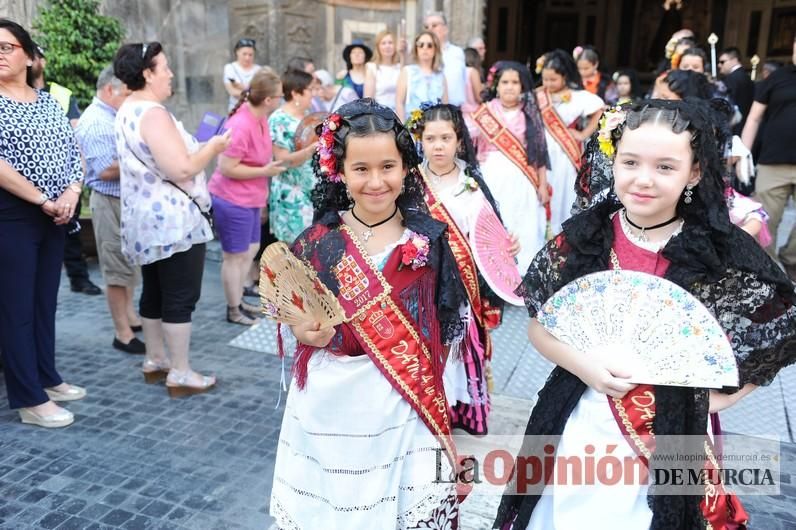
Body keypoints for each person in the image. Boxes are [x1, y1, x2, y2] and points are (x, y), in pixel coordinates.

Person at [493, 98, 796, 530]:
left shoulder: (717, 248)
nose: (643, 180)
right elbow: (540, 328)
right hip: (580, 421)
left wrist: (724, 397)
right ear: (613, 162)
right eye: (630, 162)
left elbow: (777, 332)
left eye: (666, 167)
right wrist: (590, 370)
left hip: (672, 434)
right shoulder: (588, 237)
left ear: (695, 173)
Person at [269, 99, 467, 528]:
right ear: (339, 170)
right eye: (361, 169)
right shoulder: (319, 240)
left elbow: (446, 325)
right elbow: (292, 313)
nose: (376, 181)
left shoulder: (429, 241)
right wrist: (307, 332)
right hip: (330, 405)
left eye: (388, 166)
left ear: (405, 167)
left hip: (402, 404)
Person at [113, 42, 230, 395]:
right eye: (164, 67)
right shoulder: (152, 113)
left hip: (145, 219)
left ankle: (156, 359)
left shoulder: (126, 109)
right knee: (180, 296)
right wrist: (212, 147)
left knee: (155, 291)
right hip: (172, 221)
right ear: (147, 73)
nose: (170, 73)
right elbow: (180, 167)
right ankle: (179, 371)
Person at [0, 18, 86, 428]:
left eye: (7, 47)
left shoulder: (50, 100)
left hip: (57, 213)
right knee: (15, 307)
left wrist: (70, 193)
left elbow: (75, 151)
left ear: (30, 55)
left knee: (43, 302)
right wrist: (42, 199)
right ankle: (28, 397)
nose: (0, 54)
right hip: (13, 215)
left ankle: (46, 376)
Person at [408, 102, 514, 434]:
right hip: (421, 282)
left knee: (457, 349)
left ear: (459, 140)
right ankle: (424, 410)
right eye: (431, 138)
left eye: (445, 137)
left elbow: (489, 232)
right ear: (420, 141)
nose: (438, 145)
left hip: (461, 286)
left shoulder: (472, 182)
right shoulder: (410, 182)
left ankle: (454, 410)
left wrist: (507, 245)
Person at [74, 66, 146, 354]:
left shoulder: (111, 115)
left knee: (126, 264)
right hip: (108, 201)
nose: (129, 99)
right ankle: (122, 333)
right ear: (108, 90)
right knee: (116, 270)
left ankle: (129, 316)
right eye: (125, 93)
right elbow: (104, 170)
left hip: (121, 201)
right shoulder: (96, 121)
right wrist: (145, 155)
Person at [208, 69, 285, 326]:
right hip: (232, 199)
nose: (281, 100)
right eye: (279, 96)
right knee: (235, 256)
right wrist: (265, 171)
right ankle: (233, 309)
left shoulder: (260, 117)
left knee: (249, 250)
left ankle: (238, 299)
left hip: (250, 198)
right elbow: (226, 167)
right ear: (267, 100)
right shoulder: (240, 125)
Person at [32, 42, 102, 296]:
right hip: (28, 181)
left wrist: (73, 183)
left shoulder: (59, 93)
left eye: (36, 55)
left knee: (69, 230)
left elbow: (75, 133)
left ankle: (78, 278)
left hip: (61, 176)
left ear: (43, 61)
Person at [471, 61, 550, 273]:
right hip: (492, 177)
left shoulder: (530, 113)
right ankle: (494, 269)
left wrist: (542, 184)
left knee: (522, 221)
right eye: (505, 82)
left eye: (515, 82)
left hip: (522, 179)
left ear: (522, 86)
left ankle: (522, 271)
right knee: (496, 220)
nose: (509, 86)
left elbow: (539, 151)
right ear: (496, 85)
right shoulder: (484, 112)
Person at [742, 36, 796, 281]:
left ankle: (791, 260)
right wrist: (742, 152)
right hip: (774, 161)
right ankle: (769, 274)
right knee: (764, 221)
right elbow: (754, 118)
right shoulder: (777, 78)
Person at [538, 49, 604, 234]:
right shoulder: (539, 96)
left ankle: (561, 235)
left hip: (564, 154)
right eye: (545, 79)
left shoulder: (578, 97)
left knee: (561, 193)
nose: (548, 84)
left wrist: (584, 134)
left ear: (565, 76)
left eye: (553, 80)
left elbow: (600, 110)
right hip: (541, 152)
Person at [268, 68, 317, 243]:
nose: (314, 93)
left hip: (312, 190)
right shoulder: (278, 120)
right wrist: (311, 149)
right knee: (296, 249)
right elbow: (282, 160)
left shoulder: (308, 116)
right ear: (296, 93)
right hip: (292, 193)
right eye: (310, 89)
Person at [395, 30, 448, 122]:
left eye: (430, 45)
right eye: (421, 44)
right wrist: (403, 130)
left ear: (436, 49)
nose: (425, 48)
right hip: (412, 127)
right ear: (416, 48)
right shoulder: (407, 71)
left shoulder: (441, 76)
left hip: (436, 127)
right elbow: (399, 103)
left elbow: (445, 106)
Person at [424, 11, 467, 107]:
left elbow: (463, 81)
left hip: (456, 110)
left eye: (434, 25)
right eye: (426, 27)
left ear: (445, 29)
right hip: (430, 112)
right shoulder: (422, 54)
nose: (430, 29)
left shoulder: (457, 52)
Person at [719, 47, 755, 135]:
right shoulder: (745, 76)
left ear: (734, 60)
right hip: (744, 125)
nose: (719, 65)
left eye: (722, 62)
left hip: (734, 127)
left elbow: (727, 104)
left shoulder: (733, 78)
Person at [363, 29, 403, 110]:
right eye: (383, 43)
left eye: (390, 43)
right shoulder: (372, 67)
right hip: (380, 115)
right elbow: (368, 100)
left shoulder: (400, 68)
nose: (387, 46)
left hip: (400, 115)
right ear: (378, 47)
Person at [223, 38, 261, 111]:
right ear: (237, 52)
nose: (247, 58)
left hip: (255, 109)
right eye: (244, 54)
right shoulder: (230, 68)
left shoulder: (259, 70)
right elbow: (232, 91)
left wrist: (240, 86)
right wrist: (251, 92)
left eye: (250, 55)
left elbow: (261, 91)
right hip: (236, 108)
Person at [462, 47, 483, 123]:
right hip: (473, 116)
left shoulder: (459, 71)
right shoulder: (472, 71)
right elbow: (479, 97)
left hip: (461, 114)